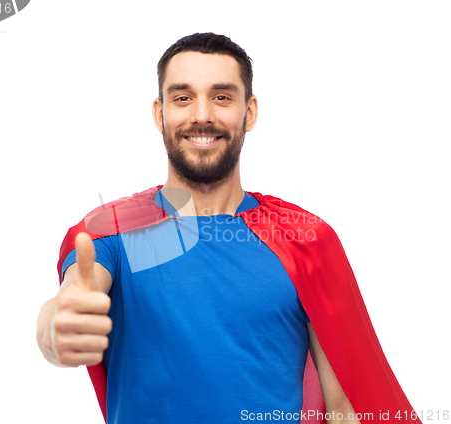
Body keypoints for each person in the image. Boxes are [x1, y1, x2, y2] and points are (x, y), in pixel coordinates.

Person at [37, 33, 420, 424]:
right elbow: (71, 300)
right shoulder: (111, 231)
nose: (202, 115)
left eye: (221, 97)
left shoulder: (304, 238)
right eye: (183, 97)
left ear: (249, 112)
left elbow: (345, 410)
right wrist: (57, 329)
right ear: (160, 113)